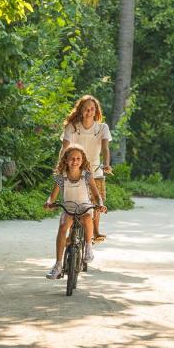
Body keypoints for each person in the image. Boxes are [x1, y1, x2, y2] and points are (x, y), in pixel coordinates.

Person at [44, 144, 107, 280]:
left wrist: (100, 205)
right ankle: (58, 265)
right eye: (72, 158)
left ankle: (88, 248)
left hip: (84, 207)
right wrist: (49, 202)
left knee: (86, 219)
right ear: (66, 159)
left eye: (78, 158)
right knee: (63, 226)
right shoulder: (61, 176)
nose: (75, 161)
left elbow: (96, 196)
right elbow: (53, 196)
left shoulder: (86, 175)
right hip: (69, 208)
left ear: (82, 160)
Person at [61, 94, 112, 241]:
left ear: (96, 111)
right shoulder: (72, 127)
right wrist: (61, 165)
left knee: (97, 202)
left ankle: (95, 231)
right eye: (85, 109)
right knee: (73, 203)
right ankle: (71, 233)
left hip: (95, 170)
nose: (89, 112)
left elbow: (105, 149)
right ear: (80, 110)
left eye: (92, 109)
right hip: (75, 169)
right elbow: (65, 148)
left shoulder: (102, 128)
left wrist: (107, 164)